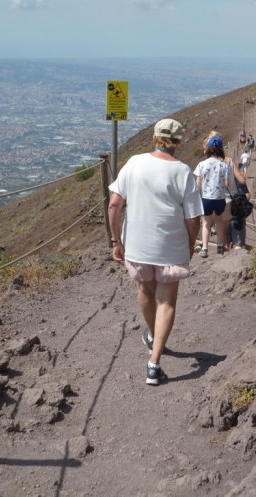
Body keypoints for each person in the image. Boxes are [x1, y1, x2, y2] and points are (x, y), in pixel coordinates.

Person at [107, 118, 203, 386]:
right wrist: (189, 245)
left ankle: (152, 336)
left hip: (137, 245)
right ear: (179, 141)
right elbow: (193, 219)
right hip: (170, 246)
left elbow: (114, 204)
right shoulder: (183, 172)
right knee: (167, 302)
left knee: (146, 292)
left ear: (154, 138)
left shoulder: (135, 162)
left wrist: (116, 240)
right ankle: (154, 363)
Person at [193, 135, 233, 257]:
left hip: (206, 198)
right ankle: (220, 247)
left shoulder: (202, 164)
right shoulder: (224, 165)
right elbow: (227, 184)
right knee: (219, 221)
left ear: (209, 149)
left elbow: (198, 184)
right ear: (221, 149)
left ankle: (204, 248)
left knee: (206, 222)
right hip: (220, 198)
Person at [229, 165, 251, 249]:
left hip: (225, 211)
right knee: (239, 229)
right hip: (238, 210)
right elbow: (248, 195)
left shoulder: (223, 180)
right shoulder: (240, 182)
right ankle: (239, 245)